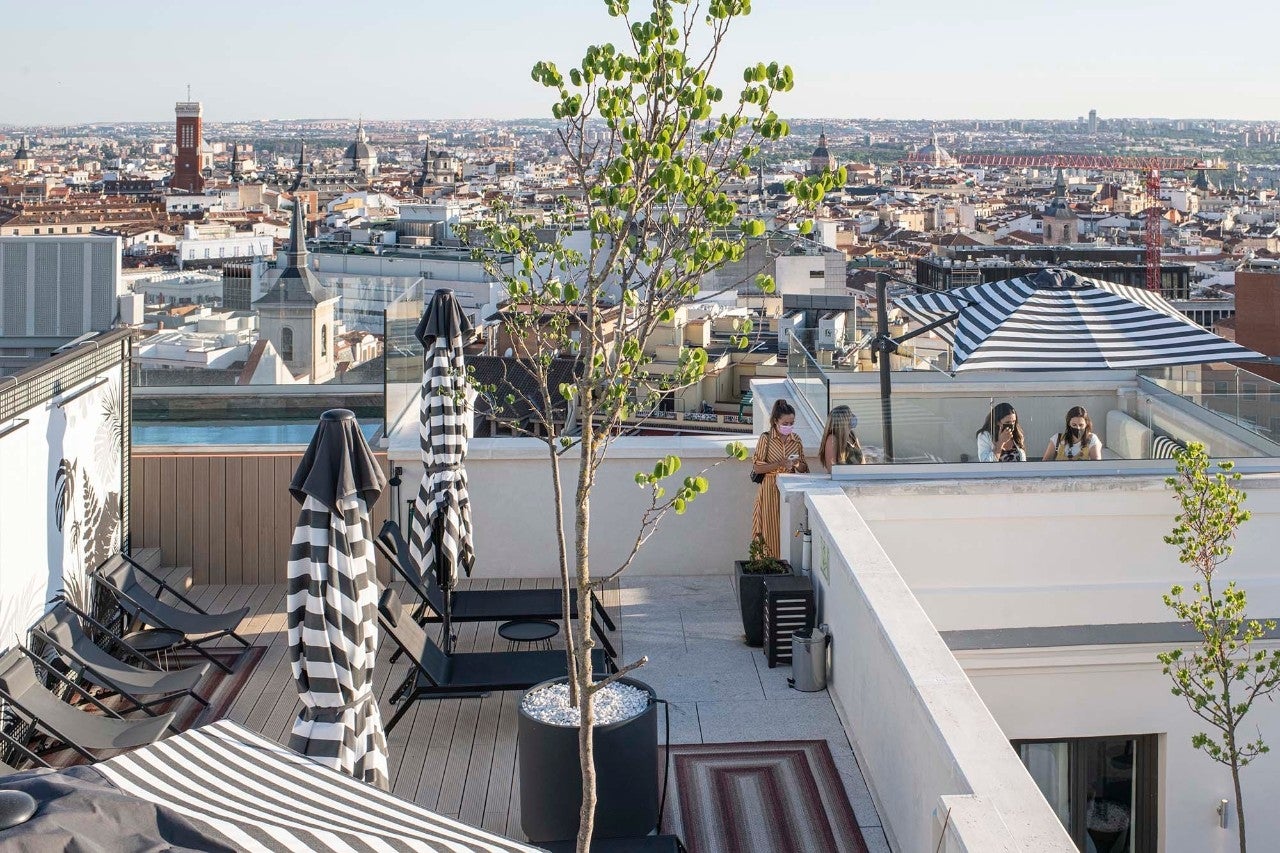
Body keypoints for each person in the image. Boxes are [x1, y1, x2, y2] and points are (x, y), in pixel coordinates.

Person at [752, 399, 809, 557]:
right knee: (769, 530)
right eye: (786, 422)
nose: (789, 426)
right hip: (770, 488)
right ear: (776, 421)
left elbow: (805, 469)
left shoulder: (796, 440)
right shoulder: (766, 439)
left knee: (787, 530)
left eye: (792, 423)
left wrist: (797, 464)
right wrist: (779, 464)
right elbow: (757, 467)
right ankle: (768, 564)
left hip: (790, 489)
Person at [818, 405, 864, 471]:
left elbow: (863, 462)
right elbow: (831, 468)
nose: (853, 416)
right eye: (850, 414)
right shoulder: (832, 439)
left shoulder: (852, 436)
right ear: (843, 420)